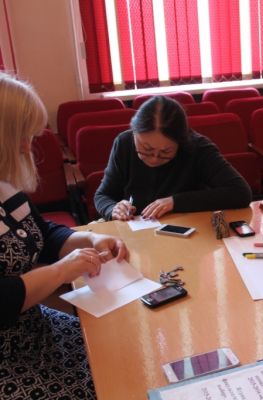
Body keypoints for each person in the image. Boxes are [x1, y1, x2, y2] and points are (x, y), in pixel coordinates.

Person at [0, 73, 128, 398]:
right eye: (21, 136)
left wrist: (90, 239)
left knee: (118, 353)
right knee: (103, 385)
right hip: (9, 355)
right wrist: (60, 271)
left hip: (31, 327)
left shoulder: (5, 186)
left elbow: (41, 232)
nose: (27, 147)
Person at [94, 95, 252, 221]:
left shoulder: (197, 147)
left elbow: (240, 192)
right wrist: (113, 209)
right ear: (134, 133)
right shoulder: (123, 143)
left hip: (187, 228)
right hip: (136, 229)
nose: (154, 159)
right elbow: (103, 195)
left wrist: (175, 202)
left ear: (181, 141)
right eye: (146, 150)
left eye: (165, 152)